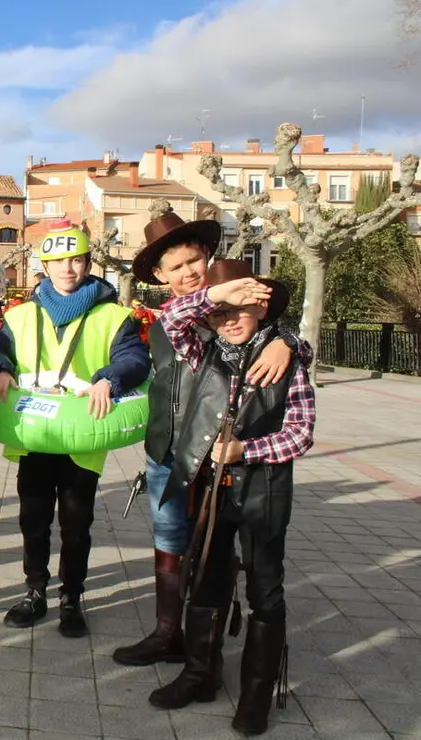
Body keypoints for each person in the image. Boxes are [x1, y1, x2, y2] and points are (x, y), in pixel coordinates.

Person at [113, 213, 311, 668]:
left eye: (194, 261)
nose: (188, 273)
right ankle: (168, 632)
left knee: (208, 554)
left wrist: (289, 341)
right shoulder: (164, 320)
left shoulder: (227, 309)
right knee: (168, 539)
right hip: (167, 450)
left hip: (215, 458)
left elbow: (265, 329)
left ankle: (205, 652)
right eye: (176, 267)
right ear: (160, 276)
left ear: (209, 258)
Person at [147, 260, 315, 737]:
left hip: (262, 490)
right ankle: (200, 674)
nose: (233, 320)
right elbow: (169, 320)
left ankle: (256, 697)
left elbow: (300, 433)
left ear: (263, 309)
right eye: (224, 311)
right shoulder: (202, 350)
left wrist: (248, 450)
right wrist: (216, 298)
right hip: (209, 492)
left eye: (245, 308)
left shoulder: (288, 357)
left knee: (265, 589)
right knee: (204, 581)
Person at [0, 220, 150, 638]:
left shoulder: (115, 316)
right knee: (32, 520)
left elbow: (134, 358)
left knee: (76, 524)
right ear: (45, 265)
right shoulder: (19, 316)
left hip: (81, 437)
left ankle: (72, 598)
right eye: (58, 261)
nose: (68, 268)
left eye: (76, 259)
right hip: (33, 435)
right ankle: (35, 592)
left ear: (88, 262)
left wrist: (110, 378)